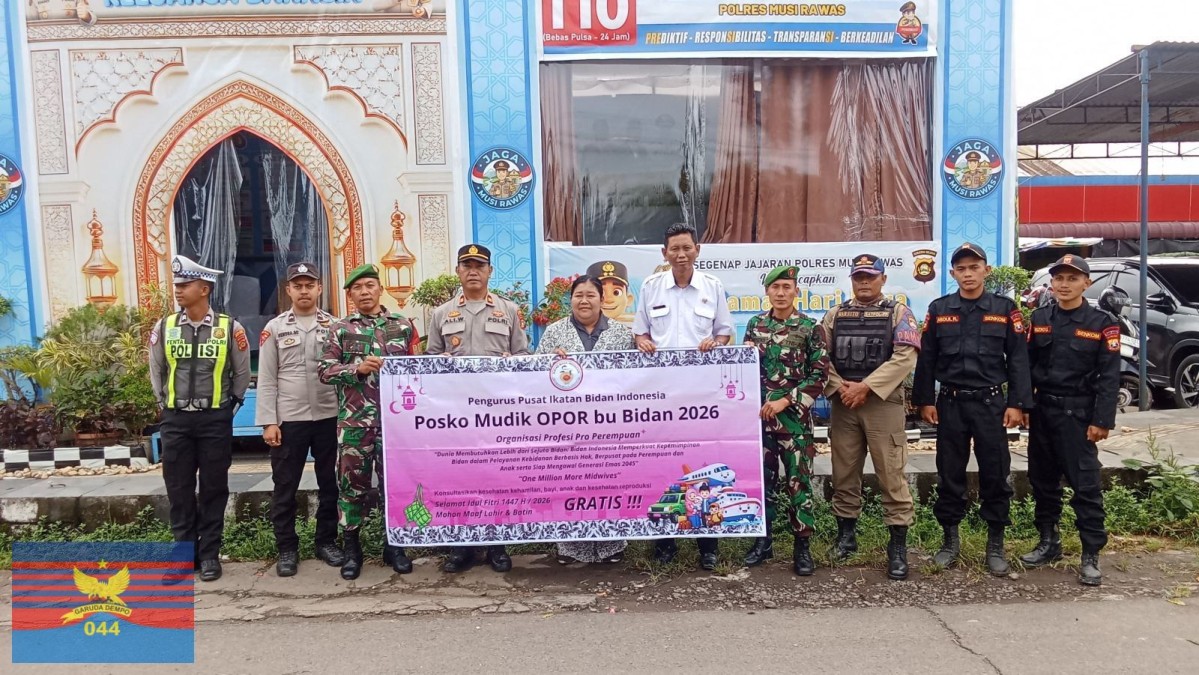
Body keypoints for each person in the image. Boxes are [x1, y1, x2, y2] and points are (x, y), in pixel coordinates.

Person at [913, 242, 1032, 576]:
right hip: (950, 403)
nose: (968, 274)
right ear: (953, 273)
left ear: (986, 271)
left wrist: (1017, 403)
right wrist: (924, 400)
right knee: (949, 473)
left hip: (990, 404)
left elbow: (1018, 359)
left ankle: (995, 545)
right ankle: (950, 542)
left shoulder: (1004, 309)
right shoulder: (939, 309)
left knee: (996, 472)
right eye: (961, 269)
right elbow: (927, 357)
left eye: (974, 267)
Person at [632, 223, 735, 570]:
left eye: (686, 248)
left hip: (701, 397)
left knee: (703, 467)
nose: (681, 255)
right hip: (661, 398)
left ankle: (708, 545)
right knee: (663, 465)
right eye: (674, 249)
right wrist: (642, 341)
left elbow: (724, 334)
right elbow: (640, 332)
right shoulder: (651, 287)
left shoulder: (712, 287)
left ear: (697, 251)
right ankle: (665, 543)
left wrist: (715, 343)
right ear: (664, 253)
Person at [428, 244, 531, 573]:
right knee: (458, 478)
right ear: (458, 271)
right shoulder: (441, 313)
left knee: (496, 477)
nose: (473, 271)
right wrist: (440, 361)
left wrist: (512, 362)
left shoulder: (508, 310)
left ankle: (497, 544)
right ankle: (462, 547)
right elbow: (430, 359)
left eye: (480, 265)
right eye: (467, 265)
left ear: (490, 271)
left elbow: (523, 356)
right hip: (456, 415)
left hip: (497, 414)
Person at [149, 255, 251, 582]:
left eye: (185, 285)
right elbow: (156, 369)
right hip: (176, 421)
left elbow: (242, 373)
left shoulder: (229, 328)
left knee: (213, 488)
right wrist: (164, 405)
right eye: (176, 285)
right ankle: (184, 556)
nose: (178, 290)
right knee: (178, 489)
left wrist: (228, 409)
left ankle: (209, 555)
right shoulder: (165, 327)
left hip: (214, 421)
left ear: (204, 289)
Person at [1021, 255, 1120, 586]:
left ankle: (1090, 554)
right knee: (1042, 481)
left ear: (1086, 283)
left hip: (1078, 416)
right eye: (1059, 278)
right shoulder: (1040, 318)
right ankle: (1048, 542)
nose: (1064, 284)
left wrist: (1102, 420)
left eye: (1072, 278)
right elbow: (1026, 366)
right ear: (1052, 283)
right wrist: (1023, 405)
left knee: (1085, 486)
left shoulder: (1101, 323)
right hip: (1043, 413)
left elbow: (1109, 376)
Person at [317, 263, 420, 580]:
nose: (364, 292)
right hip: (355, 425)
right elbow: (324, 371)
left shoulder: (403, 326)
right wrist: (356, 369)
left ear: (380, 289)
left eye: (370, 286)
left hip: (395, 426)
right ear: (350, 294)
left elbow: (418, 369)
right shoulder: (340, 330)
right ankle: (352, 550)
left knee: (396, 487)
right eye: (357, 288)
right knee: (352, 489)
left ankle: (395, 546)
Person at [821, 254, 920, 581]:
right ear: (851, 279)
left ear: (883, 279)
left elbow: (905, 358)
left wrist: (866, 387)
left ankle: (897, 546)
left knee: (891, 473)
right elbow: (821, 357)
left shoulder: (899, 313)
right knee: (843, 472)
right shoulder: (835, 314)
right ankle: (846, 537)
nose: (864, 281)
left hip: (882, 403)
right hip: (844, 402)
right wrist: (842, 387)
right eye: (858, 276)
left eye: (870, 276)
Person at [535, 274, 636, 565]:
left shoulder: (621, 333)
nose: (584, 301)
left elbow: (635, 377)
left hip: (609, 424)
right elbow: (535, 373)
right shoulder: (555, 332)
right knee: (570, 482)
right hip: (567, 425)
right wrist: (550, 361)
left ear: (601, 299)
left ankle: (611, 546)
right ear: (571, 299)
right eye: (578, 295)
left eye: (590, 295)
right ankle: (571, 547)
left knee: (609, 482)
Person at [256, 262, 344, 577]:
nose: (304, 291)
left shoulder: (335, 326)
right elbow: (267, 378)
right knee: (285, 486)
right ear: (289, 290)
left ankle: (326, 542)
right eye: (298, 286)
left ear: (319, 288)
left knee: (330, 483)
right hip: (289, 419)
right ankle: (287, 548)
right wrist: (269, 421)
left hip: (328, 416)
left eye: (309, 285)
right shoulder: (275, 328)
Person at [741, 265, 830, 576]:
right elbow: (745, 370)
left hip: (794, 421)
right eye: (775, 287)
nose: (781, 293)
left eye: (786, 287)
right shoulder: (755, 325)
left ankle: (802, 546)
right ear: (767, 291)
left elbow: (819, 375)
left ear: (796, 291)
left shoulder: (809, 327)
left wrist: (785, 400)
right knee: (762, 482)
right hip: (761, 421)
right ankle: (762, 542)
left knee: (798, 483)